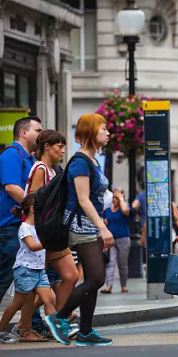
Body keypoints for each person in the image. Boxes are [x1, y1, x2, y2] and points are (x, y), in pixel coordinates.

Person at [44, 113, 113, 346]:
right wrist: (103, 228)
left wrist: (101, 225)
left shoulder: (92, 160)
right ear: (91, 131)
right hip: (81, 226)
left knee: (93, 279)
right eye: (103, 129)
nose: (107, 132)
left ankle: (85, 332)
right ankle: (59, 317)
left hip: (90, 226)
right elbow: (83, 199)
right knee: (96, 278)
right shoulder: (80, 161)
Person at [24, 130, 79, 337]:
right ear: (47, 147)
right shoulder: (40, 169)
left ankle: (48, 320)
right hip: (44, 235)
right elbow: (32, 202)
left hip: (53, 233)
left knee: (68, 276)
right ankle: (31, 324)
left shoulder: (53, 170)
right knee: (41, 285)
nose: (62, 150)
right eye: (59, 146)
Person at [0, 194, 56, 342]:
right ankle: (6, 329)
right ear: (32, 208)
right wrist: (48, 241)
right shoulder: (25, 228)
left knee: (48, 299)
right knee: (19, 303)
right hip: (25, 270)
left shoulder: (39, 227)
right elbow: (32, 246)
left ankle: (58, 330)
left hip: (38, 270)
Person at [0, 116, 41, 305]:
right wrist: (37, 208)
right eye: (38, 131)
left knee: (30, 281)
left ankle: (30, 325)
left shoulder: (30, 157)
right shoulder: (11, 154)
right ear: (24, 133)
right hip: (10, 228)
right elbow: (11, 187)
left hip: (21, 227)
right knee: (4, 277)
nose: (41, 134)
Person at [100, 189, 131, 294]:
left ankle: (124, 285)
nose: (113, 200)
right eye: (113, 197)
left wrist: (121, 198)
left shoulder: (124, 209)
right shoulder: (107, 211)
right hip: (111, 240)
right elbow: (104, 224)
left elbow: (125, 211)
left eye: (116, 198)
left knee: (122, 264)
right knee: (110, 263)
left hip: (123, 239)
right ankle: (109, 286)